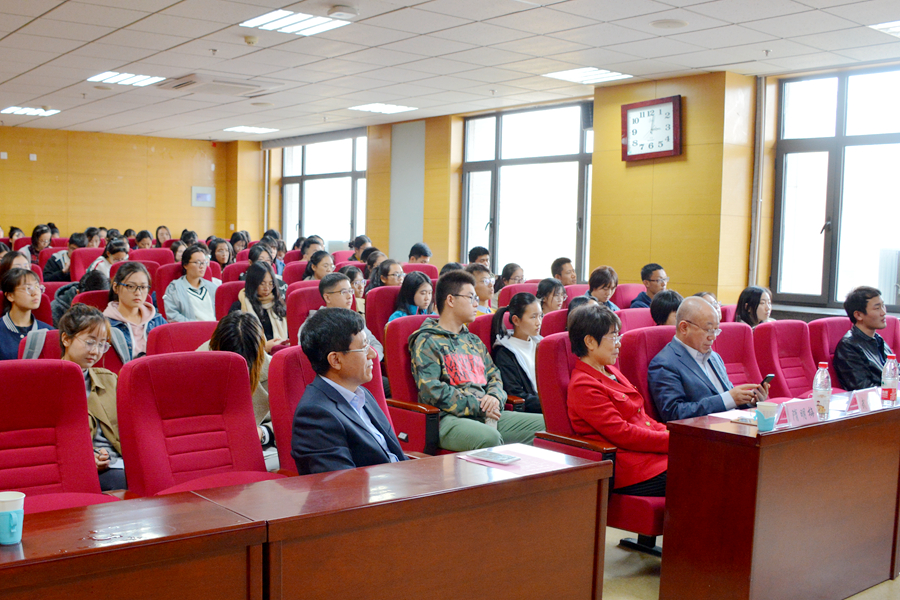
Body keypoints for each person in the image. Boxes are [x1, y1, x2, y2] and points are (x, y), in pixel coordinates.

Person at [408, 270, 545, 451]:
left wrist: (495, 397)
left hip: (487, 412)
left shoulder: (472, 340)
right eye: (471, 297)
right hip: (449, 418)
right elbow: (432, 391)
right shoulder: (427, 340)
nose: (476, 303)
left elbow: (494, 375)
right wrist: (480, 406)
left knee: (548, 424)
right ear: (450, 300)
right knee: (489, 438)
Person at [567, 303, 668, 496]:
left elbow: (642, 417)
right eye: (613, 337)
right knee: (700, 472)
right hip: (631, 466)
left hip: (648, 454)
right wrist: (671, 441)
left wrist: (673, 434)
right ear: (589, 341)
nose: (619, 343)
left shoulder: (610, 370)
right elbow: (623, 434)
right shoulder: (583, 385)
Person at [293, 307, 408, 475]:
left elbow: (392, 455)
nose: (373, 355)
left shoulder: (362, 394)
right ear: (336, 360)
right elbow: (342, 487)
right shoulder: (315, 415)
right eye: (363, 347)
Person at [648, 296, 769, 422]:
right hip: (704, 434)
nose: (713, 337)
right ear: (684, 327)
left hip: (732, 425)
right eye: (708, 330)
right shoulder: (665, 363)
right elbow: (674, 413)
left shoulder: (714, 357)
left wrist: (751, 401)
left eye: (716, 330)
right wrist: (728, 399)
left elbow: (729, 399)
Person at [57, 304, 126, 490]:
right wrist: (84, 457)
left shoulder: (110, 380)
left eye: (102, 344)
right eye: (90, 342)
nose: (96, 351)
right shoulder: (46, 384)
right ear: (66, 339)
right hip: (79, 469)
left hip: (119, 462)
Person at [198, 312, 279, 470]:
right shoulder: (197, 365)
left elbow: (290, 420)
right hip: (210, 452)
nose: (242, 370)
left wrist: (263, 432)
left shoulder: (274, 370)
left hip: (260, 449)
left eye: (246, 363)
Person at [298, 273, 383, 359]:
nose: (350, 296)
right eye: (344, 292)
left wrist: (366, 360)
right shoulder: (313, 325)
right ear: (327, 297)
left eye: (350, 291)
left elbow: (376, 345)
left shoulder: (354, 319)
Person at [834, 286, 894, 391]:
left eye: (883, 306)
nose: (883, 312)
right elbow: (863, 388)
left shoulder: (878, 339)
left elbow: (894, 371)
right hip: (874, 403)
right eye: (877, 308)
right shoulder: (848, 346)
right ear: (858, 315)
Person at [492, 292, 543, 413]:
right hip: (532, 410)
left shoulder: (541, 344)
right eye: (533, 317)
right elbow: (516, 394)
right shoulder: (505, 352)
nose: (539, 322)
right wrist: (552, 403)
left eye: (540, 316)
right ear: (516, 320)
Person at [103, 261, 166, 361]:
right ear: (116, 287)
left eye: (143, 287)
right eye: (131, 286)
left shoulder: (157, 320)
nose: (138, 293)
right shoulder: (106, 325)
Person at [230, 262, 287, 352]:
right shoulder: (240, 307)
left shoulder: (279, 304)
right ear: (253, 283)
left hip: (280, 353)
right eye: (262, 284)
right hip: (253, 357)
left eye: (271, 283)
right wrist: (263, 348)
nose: (267, 288)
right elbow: (234, 343)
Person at [0, 268, 53, 360]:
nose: (35, 293)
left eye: (37, 287)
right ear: (10, 296)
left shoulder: (49, 332)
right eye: (28, 288)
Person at [162, 244, 218, 322]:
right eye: (197, 262)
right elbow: (172, 315)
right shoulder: (174, 288)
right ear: (185, 265)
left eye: (204, 262)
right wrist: (195, 326)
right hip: (189, 331)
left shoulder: (212, 287)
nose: (202, 266)